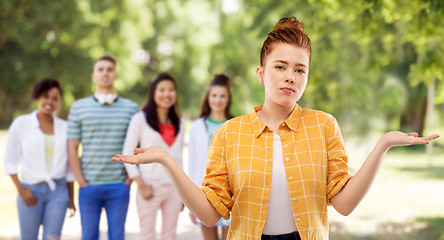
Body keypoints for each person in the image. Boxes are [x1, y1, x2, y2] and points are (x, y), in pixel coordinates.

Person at [111, 17, 439, 240]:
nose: (290, 77)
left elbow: (343, 204)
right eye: (280, 66)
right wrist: (167, 160)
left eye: (300, 70)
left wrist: (382, 145)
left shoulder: (325, 126)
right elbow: (210, 216)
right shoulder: (229, 133)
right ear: (260, 72)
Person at [68, 54, 139, 240]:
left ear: (115, 75)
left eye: (109, 69)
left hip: (119, 186)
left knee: (117, 236)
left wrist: (128, 181)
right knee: (88, 236)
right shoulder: (79, 107)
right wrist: (81, 182)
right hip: (89, 186)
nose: (105, 73)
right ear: (94, 76)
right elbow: (72, 147)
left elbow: (138, 147)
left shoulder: (131, 108)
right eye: (100, 69)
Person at [4, 78, 76, 240]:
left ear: (59, 102)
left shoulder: (66, 128)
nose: (50, 101)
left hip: (58, 192)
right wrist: (22, 190)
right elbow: (10, 161)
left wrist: (71, 198)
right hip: (31, 190)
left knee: (52, 238)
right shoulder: (21, 124)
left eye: (55, 98)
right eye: (45, 96)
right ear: (37, 97)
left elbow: (69, 167)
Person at [122, 73, 185, 240]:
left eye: (171, 90)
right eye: (162, 90)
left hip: (175, 189)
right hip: (149, 185)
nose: (167, 94)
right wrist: (140, 184)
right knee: (147, 235)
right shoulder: (140, 119)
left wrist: (185, 192)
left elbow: (179, 159)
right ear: (153, 93)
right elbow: (127, 154)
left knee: (170, 235)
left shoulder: (180, 122)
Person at [188, 74, 233, 240]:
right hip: (203, 195)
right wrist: (191, 205)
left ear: (228, 99)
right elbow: (192, 164)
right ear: (208, 98)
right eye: (214, 95)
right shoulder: (197, 126)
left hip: (229, 195)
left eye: (222, 96)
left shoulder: (234, 126)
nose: (218, 100)